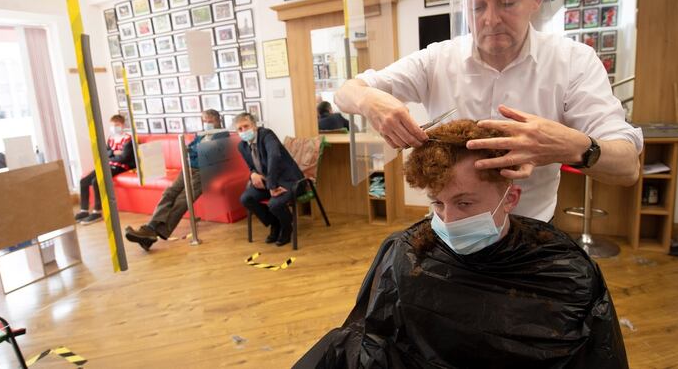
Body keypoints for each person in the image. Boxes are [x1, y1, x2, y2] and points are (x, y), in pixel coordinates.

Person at [334, 0, 643, 222]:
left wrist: (571, 146)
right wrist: (368, 100)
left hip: (528, 231)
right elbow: (346, 92)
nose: (490, 19)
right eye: (477, 6)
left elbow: (627, 166)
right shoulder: (436, 60)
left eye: (506, 3)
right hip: (450, 227)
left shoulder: (574, 62)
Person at [294, 120, 628, 368]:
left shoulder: (565, 274)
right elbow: (373, 345)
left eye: (465, 203)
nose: (448, 220)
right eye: (437, 203)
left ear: (511, 197)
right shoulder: (406, 252)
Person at [124, 110, 229, 251]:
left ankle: (151, 232)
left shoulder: (223, 134)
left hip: (205, 172)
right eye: (205, 121)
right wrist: (195, 151)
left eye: (210, 121)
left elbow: (207, 154)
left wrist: (195, 151)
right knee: (169, 193)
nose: (207, 124)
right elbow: (190, 149)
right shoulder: (201, 134)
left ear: (217, 120)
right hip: (188, 168)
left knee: (182, 199)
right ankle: (151, 229)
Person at [235, 113, 304, 247]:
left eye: (246, 126)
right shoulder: (242, 146)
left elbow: (274, 157)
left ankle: (287, 228)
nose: (243, 131)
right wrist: (253, 174)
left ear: (254, 126)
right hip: (266, 182)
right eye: (240, 129)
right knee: (246, 199)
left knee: (274, 204)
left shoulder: (267, 135)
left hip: (288, 180)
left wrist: (272, 185)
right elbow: (251, 166)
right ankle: (275, 223)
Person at [75, 114, 134, 225]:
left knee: (96, 181)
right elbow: (105, 154)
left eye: (117, 125)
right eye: (112, 125)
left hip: (120, 166)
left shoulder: (128, 139)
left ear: (123, 125)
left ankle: (97, 211)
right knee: (84, 181)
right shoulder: (111, 139)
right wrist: (113, 152)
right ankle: (84, 210)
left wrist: (112, 155)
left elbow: (124, 157)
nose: (114, 127)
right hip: (108, 164)